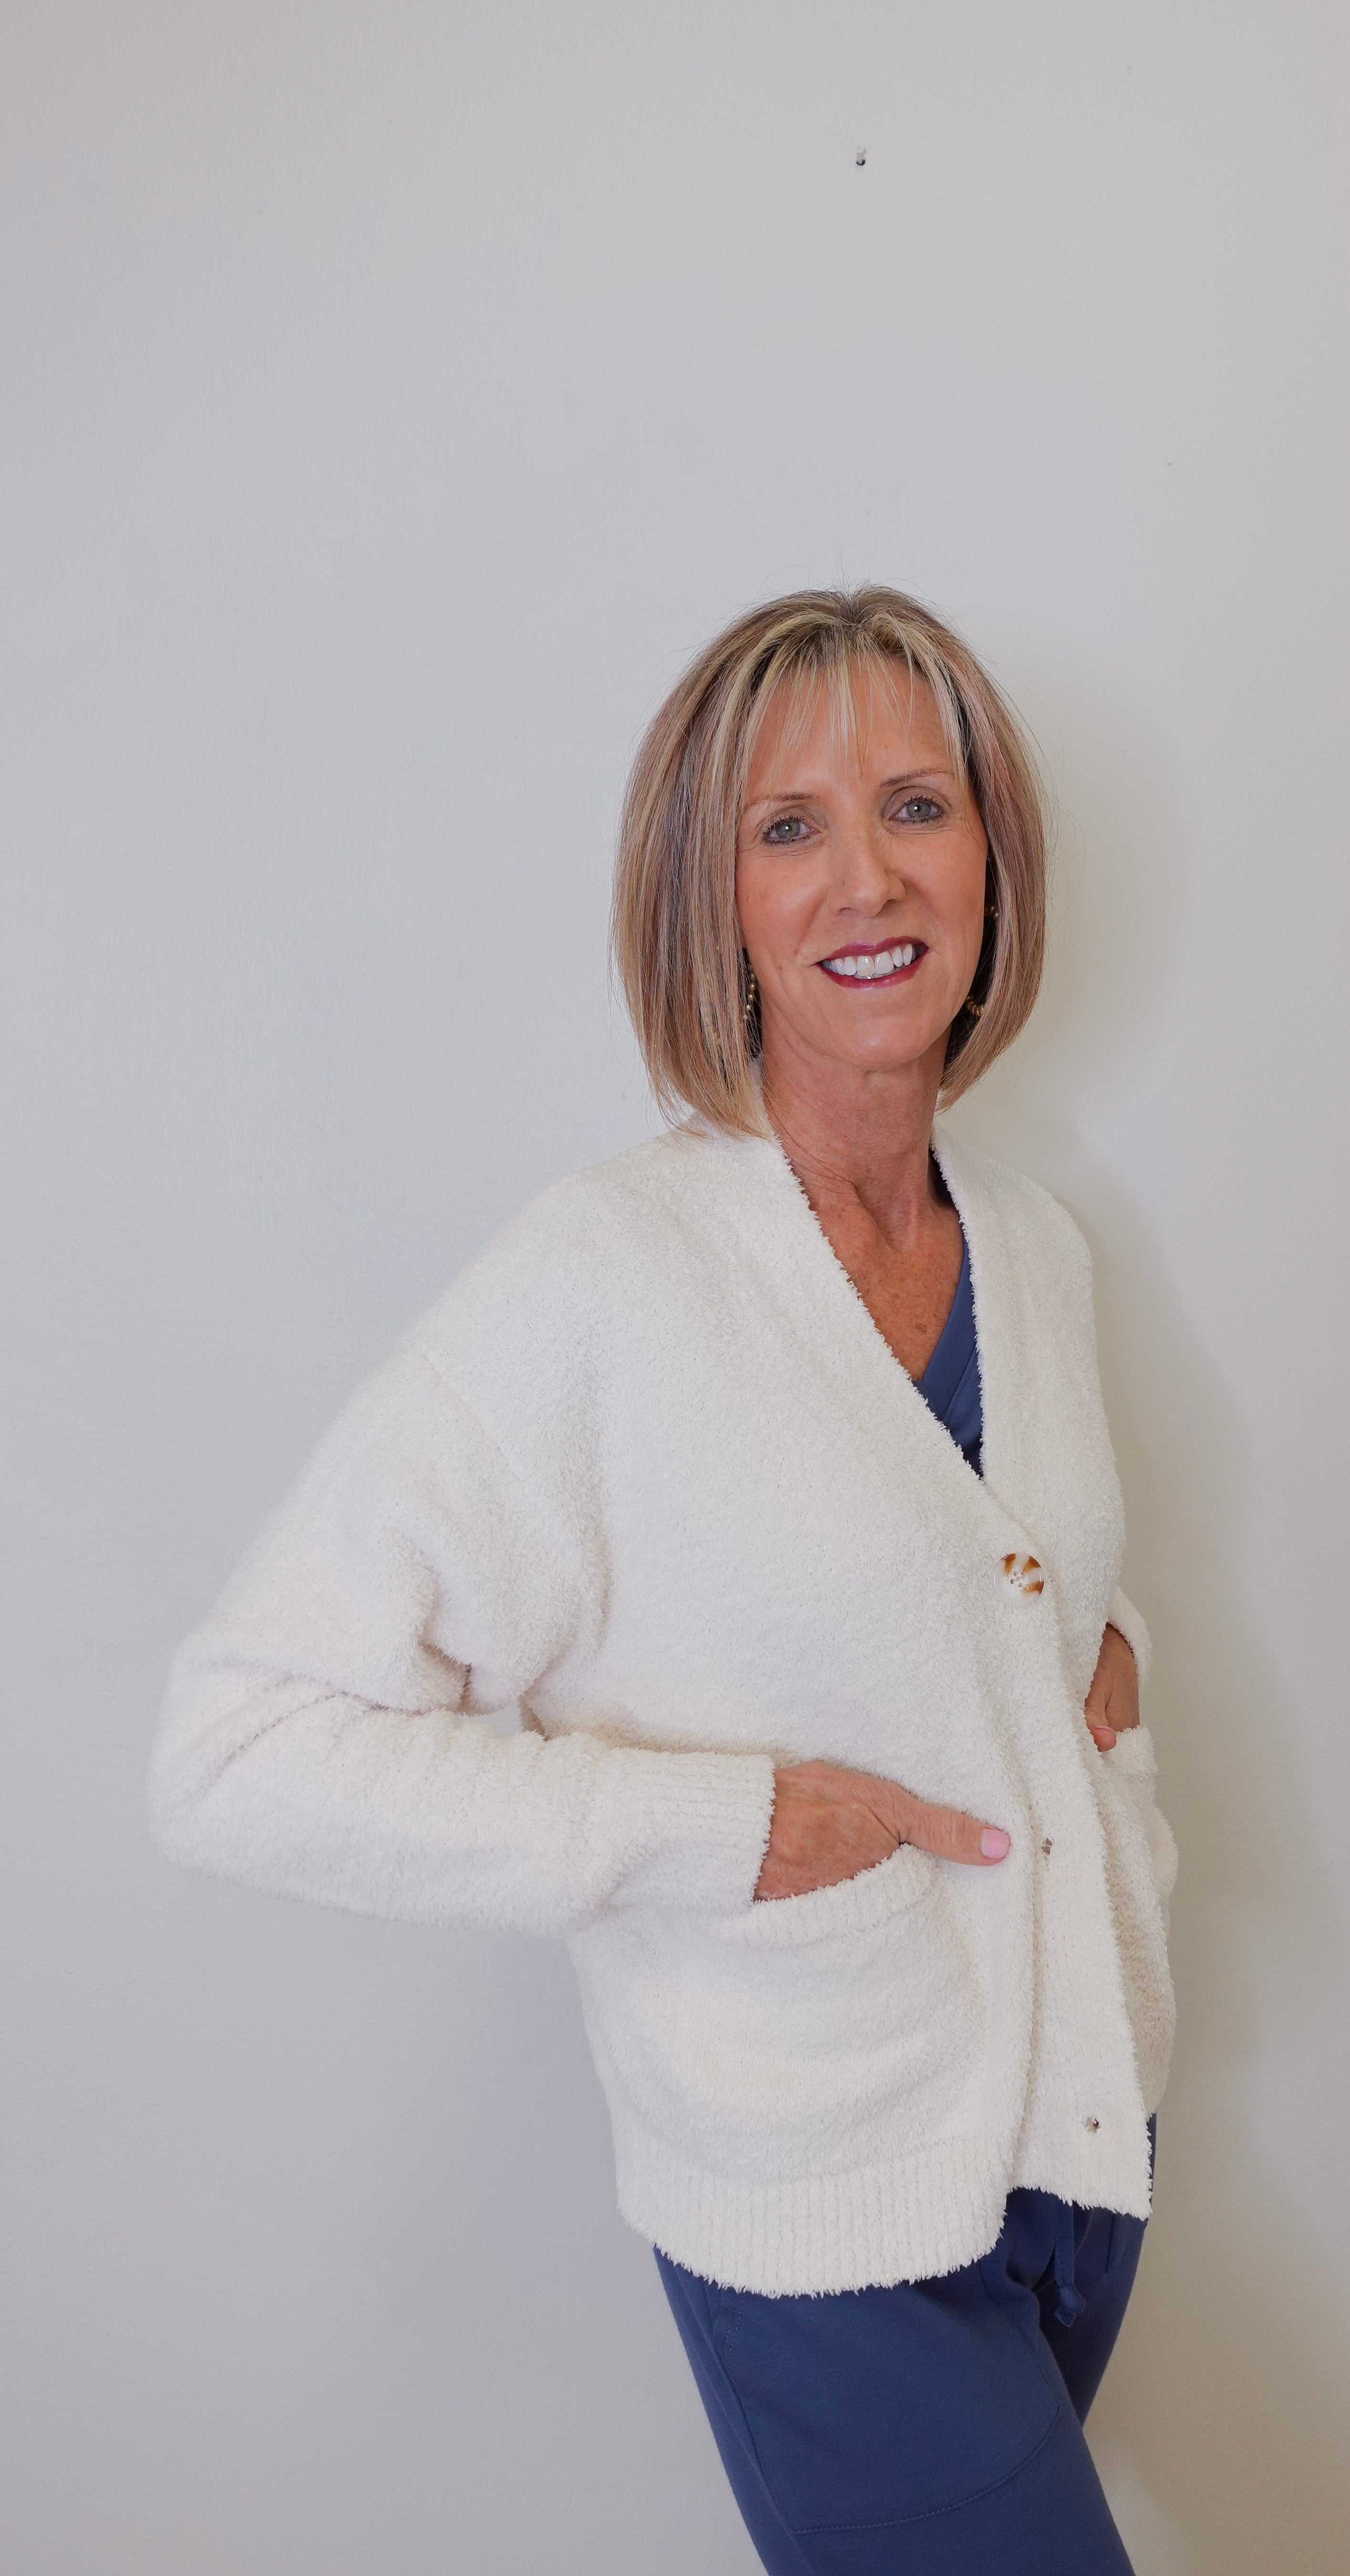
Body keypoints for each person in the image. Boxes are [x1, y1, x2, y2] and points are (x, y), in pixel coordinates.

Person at [150, 585, 1178, 2574]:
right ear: (708, 899)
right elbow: (239, 1745)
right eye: (787, 828)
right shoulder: (604, 1280)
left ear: (992, 855)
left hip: (1084, 2153)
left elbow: (1007, 1585)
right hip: (826, 2214)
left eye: (914, 804)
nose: (866, 876)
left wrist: (1112, 1709)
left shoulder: (1040, 1247)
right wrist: (728, 1829)